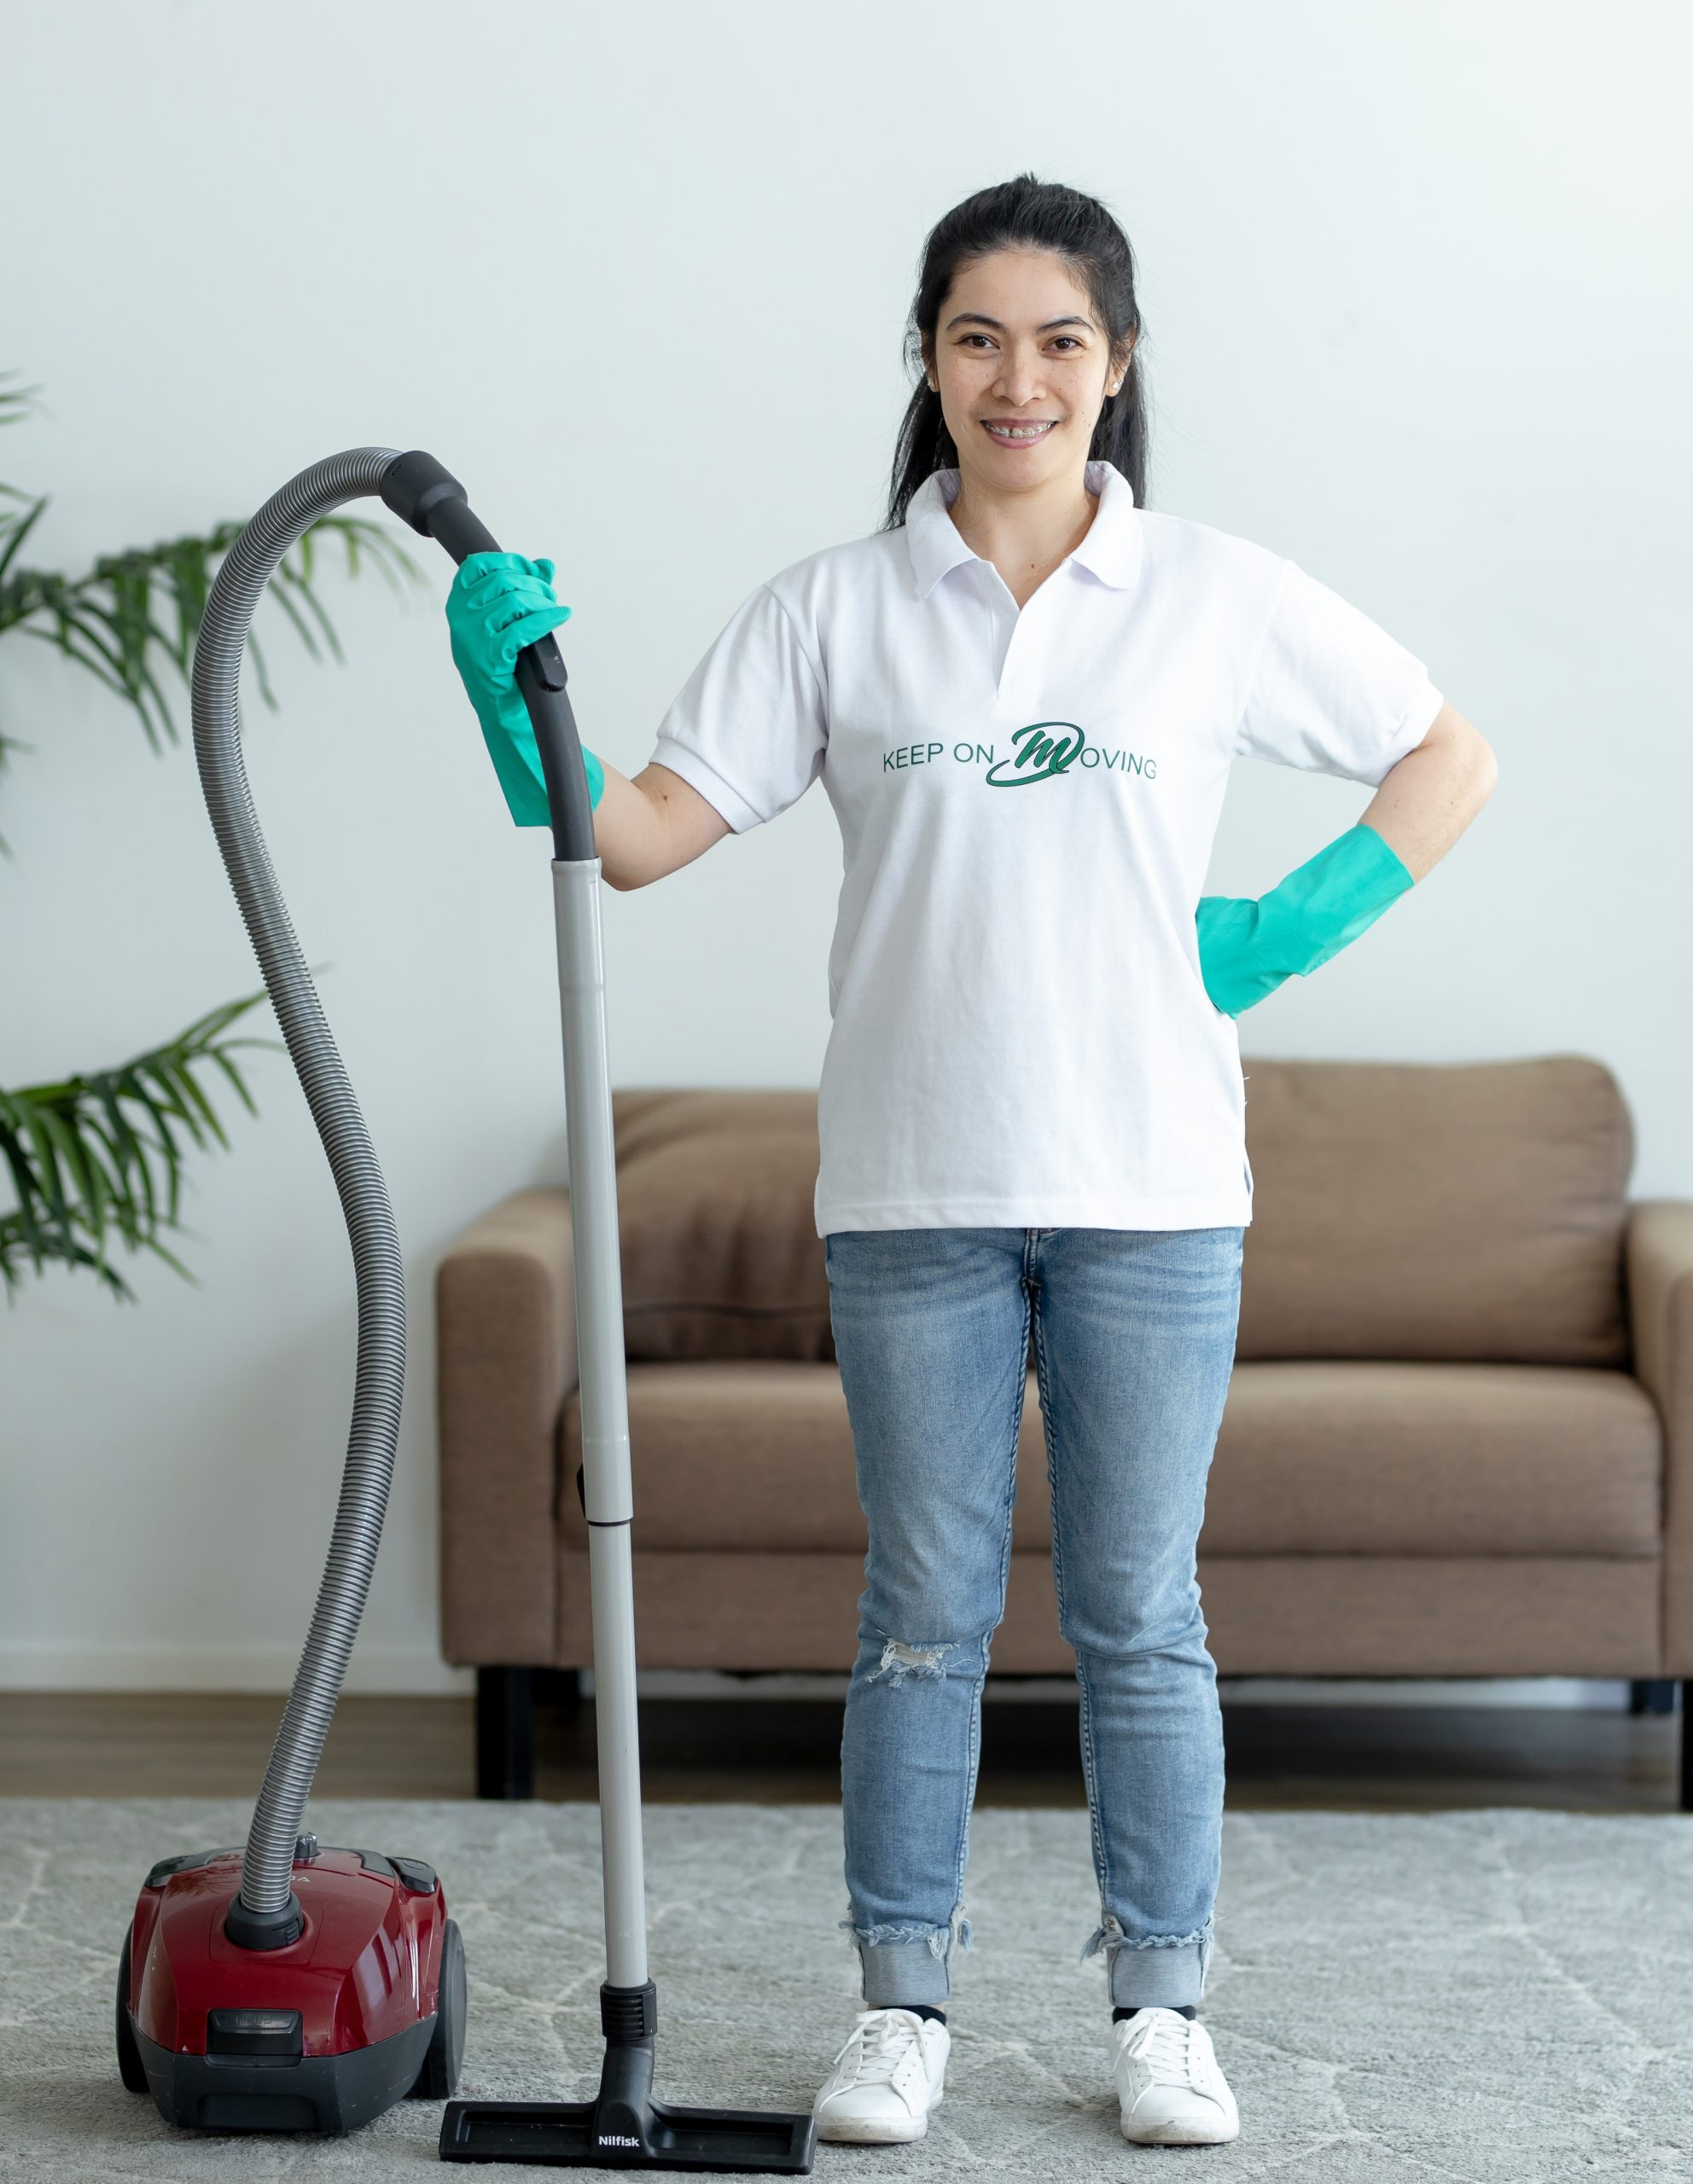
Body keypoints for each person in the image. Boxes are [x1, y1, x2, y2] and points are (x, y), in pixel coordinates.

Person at [445, 172, 1498, 2151]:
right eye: (978, 338)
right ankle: (899, 2004)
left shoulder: (1213, 593)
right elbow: (640, 833)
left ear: (1119, 362)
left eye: (1059, 340)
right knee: (919, 1613)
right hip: (912, 1193)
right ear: (927, 363)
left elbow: (1448, 754)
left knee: (1142, 1613)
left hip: (1152, 1192)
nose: (1020, 379)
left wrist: (1283, 926)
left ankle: (1162, 2008)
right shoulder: (834, 608)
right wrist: (525, 714)